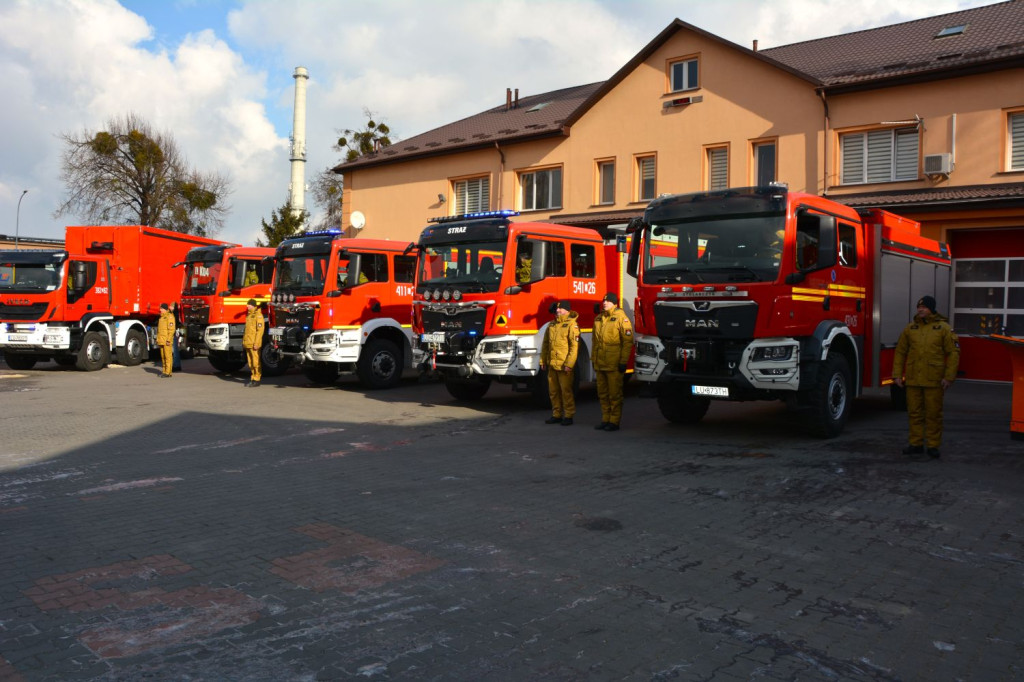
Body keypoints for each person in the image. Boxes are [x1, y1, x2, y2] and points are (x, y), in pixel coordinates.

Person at [893, 295, 960, 459]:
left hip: (934, 380)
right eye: (918, 307)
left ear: (931, 308)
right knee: (914, 413)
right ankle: (915, 444)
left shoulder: (943, 328)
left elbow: (953, 353)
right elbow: (900, 352)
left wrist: (949, 377)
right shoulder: (910, 329)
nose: (920, 310)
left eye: (923, 307)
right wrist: (896, 375)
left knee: (933, 414)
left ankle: (932, 445)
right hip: (913, 379)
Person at [591, 292, 633, 431]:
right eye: (603, 301)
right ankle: (605, 419)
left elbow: (627, 342)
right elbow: (595, 342)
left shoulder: (622, 318)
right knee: (602, 394)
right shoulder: (598, 319)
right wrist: (593, 360)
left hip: (613, 364)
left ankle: (614, 421)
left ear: (615, 304)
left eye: (608, 301)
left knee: (615, 395)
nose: (604, 303)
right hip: (600, 364)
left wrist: (623, 362)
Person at [540, 300, 579, 426]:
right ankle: (556, 414)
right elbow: (545, 344)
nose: (558, 311)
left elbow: (574, 347)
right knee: (553, 391)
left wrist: (569, 364)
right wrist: (543, 360)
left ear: (567, 310)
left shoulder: (572, 325)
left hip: (564, 365)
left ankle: (568, 415)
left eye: (561, 309)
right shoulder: (551, 325)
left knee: (566, 391)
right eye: (557, 309)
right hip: (552, 364)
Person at [243, 298, 265, 387]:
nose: (247, 306)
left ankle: (257, 379)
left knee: (256, 362)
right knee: (250, 362)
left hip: (254, 343)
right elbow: (246, 331)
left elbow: (260, 331)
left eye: (248, 304)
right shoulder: (248, 316)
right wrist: (244, 342)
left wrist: (256, 343)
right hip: (248, 342)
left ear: (253, 305)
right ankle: (252, 378)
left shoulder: (258, 315)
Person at [155, 303, 175, 378]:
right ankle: (164, 371)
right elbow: (159, 331)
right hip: (161, 340)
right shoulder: (161, 318)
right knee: (163, 357)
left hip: (167, 340)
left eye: (161, 308)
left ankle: (168, 372)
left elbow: (171, 330)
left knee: (168, 356)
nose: (160, 310)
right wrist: (158, 339)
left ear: (165, 309)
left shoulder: (169, 317)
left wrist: (168, 340)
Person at [170, 302, 182, 372]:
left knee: (175, 349)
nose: (170, 308)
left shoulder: (174, 315)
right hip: (175, 332)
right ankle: (177, 365)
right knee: (175, 349)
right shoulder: (176, 314)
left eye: (171, 307)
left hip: (174, 332)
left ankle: (176, 365)